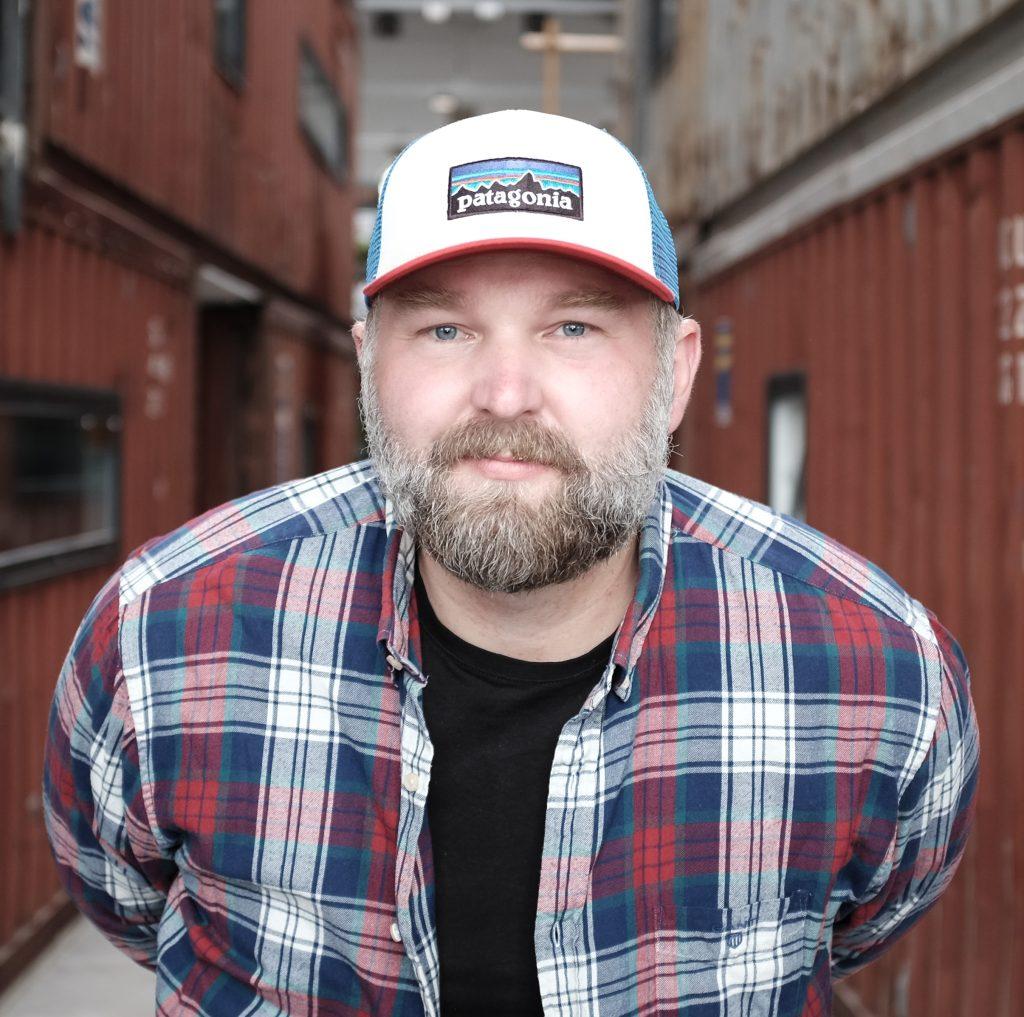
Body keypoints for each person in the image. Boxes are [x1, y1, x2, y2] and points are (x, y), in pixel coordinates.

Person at [44, 109, 979, 1017]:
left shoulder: (877, 673)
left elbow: (870, 915)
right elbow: (119, 891)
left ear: (676, 372)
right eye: (445, 330)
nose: (504, 394)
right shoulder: (164, 636)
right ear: (368, 366)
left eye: (573, 328)